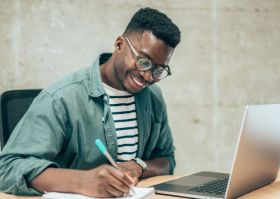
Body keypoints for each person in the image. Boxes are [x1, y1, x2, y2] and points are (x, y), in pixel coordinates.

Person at [0, 7, 181, 197]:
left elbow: (166, 159)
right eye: (144, 62)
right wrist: (83, 181)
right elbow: (7, 168)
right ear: (119, 45)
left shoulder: (153, 97)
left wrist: (137, 166)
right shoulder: (62, 98)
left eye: (158, 70)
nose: (147, 75)